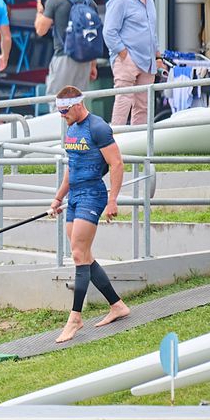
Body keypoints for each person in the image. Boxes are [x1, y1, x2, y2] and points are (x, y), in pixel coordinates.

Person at [49, 87, 130, 343]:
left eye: (64, 111)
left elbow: (117, 163)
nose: (62, 115)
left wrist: (112, 199)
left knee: (77, 254)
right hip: (74, 197)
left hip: (92, 196)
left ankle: (75, 317)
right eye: (59, 111)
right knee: (84, 255)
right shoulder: (71, 130)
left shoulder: (98, 127)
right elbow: (70, 169)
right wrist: (58, 197)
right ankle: (117, 305)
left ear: (76, 105)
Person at [104, 0, 163, 126]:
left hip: (147, 59)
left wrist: (157, 55)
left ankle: (141, 144)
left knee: (143, 104)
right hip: (127, 59)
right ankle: (116, 141)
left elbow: (152, 31)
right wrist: (124, 55)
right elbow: (109, 31)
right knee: (124, 101)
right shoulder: (120, 0)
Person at [35, 0, 99, 96]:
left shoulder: (55, 0)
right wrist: (93, 65)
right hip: (85, 60)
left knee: (57, 100)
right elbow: (92, 35)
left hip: (63, 57)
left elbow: (41, 30)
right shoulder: (89, 1)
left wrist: (39, 12)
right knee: (78, 103)